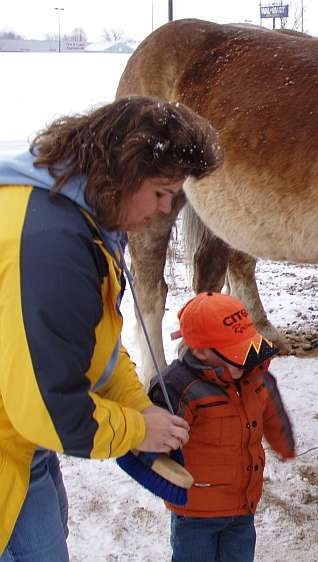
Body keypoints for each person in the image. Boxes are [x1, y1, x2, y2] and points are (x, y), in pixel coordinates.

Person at [0, 96, 222, 561]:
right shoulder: (52, 247)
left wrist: (138, 406)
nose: (165, 211)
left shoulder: (77, 214)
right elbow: (51, 411)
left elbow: (94, 348)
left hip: (21, 442)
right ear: (124, 169)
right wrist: (137, 430)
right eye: (161, 193)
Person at [150, 291, 296, 562]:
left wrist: (284, 443)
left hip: (243, 507)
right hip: (195, 513)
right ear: (201, 351)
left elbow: (271, 407)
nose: (246, 361)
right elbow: (155, 441)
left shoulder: (254, 377)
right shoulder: (179, 388)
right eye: (236, 353)